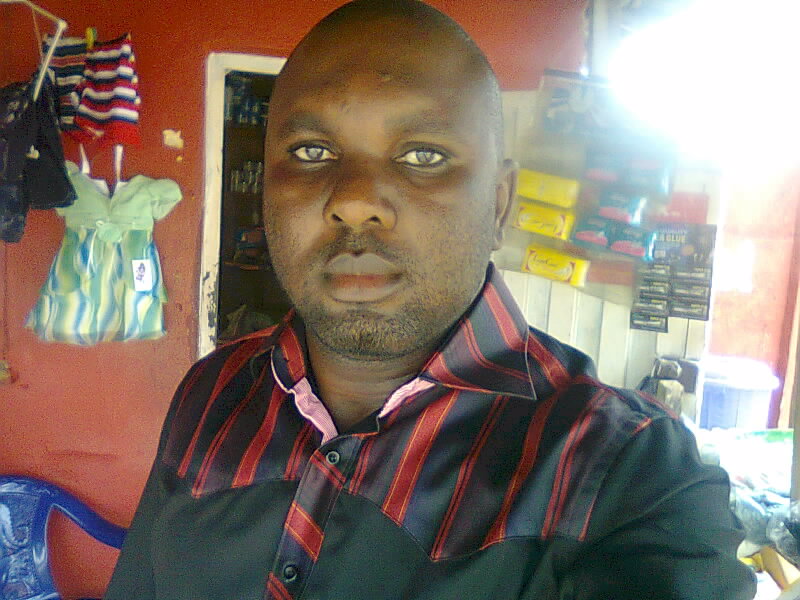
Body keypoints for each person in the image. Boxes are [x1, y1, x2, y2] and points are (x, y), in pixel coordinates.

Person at [104, 2, 756, 599]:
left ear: (498, 204)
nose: (354, 200)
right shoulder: (212, 393)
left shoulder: (626, 475)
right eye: (311, 150)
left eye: (422, 155)